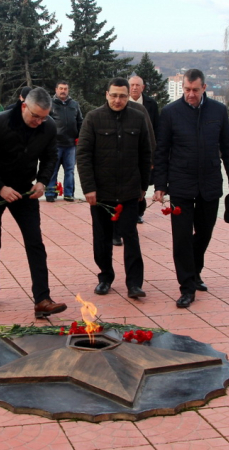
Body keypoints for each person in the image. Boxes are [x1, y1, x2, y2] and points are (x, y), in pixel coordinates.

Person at [0, 87, 68, 318]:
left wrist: (43, 181)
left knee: (35, 242)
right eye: (35, 116)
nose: (39, 121)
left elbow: (50, 156)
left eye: (44, 117)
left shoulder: (48, 126)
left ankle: (42, 299)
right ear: (24, 106)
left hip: (24, 190)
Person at [153, 69, 229, 308]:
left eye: (195, 90)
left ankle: (194, 271)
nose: (190, 94)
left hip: (210, 184)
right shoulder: (170, 113)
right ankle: (187, 287)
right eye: (186, 90)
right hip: (181, 185)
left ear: (204, 88)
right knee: (181, 238)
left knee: (204, 234)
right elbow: (161, 153)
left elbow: (228, 148)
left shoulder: (218, 111)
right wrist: (160, 185)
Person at [77, 78, 152, 299]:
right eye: (114, 95)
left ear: (128, 96)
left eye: (122, 96)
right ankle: (105, 277)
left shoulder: (138, 118)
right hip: (101, 192)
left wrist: (142, 187)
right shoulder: (93, 118)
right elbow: (83, 155)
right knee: (102, 237)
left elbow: (146, 154)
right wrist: (89, 187)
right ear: (106, 94)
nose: (118, 100)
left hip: (129, 190)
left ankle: (134, 284)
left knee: (131, 237)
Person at [129, 75, 160, 226]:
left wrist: (154, 156)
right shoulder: (121, 102)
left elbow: (156, 128)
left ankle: (139, 212)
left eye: (137, 85)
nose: (134, 88)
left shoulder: (151, 104)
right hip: (128, 150)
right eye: (132, 85)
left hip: (145, 149)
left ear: (143, 88)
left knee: (143, 184)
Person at [45, 81, 82, 202]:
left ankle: (68, 193)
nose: (63, 91)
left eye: (65, 88)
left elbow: (80, 122)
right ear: (56, 89)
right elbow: (44, 122)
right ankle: (50, 193)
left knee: (70, 171)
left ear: (68, 90)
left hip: (71, 144)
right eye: (61, 88)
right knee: (52, 170)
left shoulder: (74, 105)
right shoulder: (50, 104)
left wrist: (80, 136)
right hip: (55, 144)